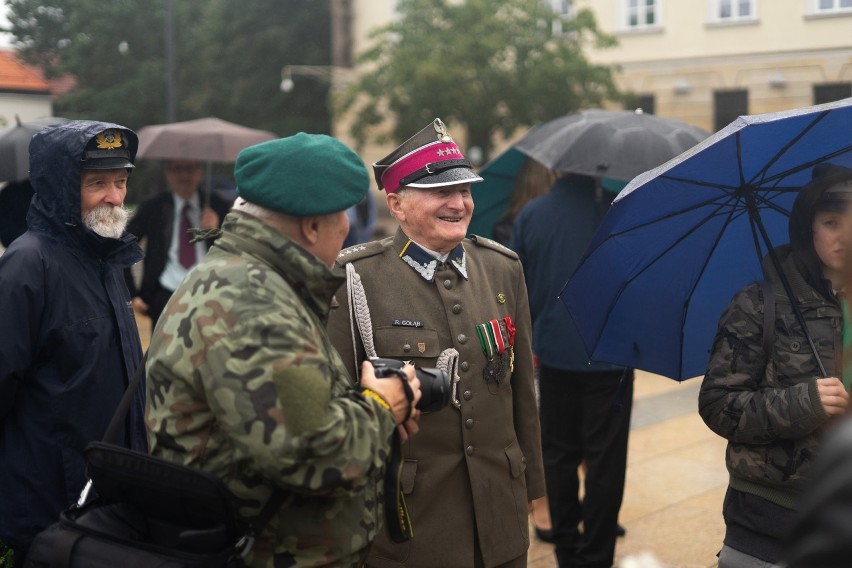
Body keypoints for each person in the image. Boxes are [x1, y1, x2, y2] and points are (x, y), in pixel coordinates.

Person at [145, 133, 422, 567]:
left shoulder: (239, 277)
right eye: (341, 219)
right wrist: (382, 406)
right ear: (311, 227)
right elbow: (314, 453)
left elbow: (282, 411)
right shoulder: (254, 305)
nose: (347, 230)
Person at [327, 118, 546, 568]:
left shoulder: (503, 267)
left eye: (465, 190)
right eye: (440, 192)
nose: (459, 203)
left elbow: (521, 390)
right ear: (397, 204)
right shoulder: (355, 279)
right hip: (412, 523)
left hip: (500, 507)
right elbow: (339, 403)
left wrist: (531, 485)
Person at [0, 121, 147, 565]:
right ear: (61, 186)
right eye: (97, 183)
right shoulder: (28, 265)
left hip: (110, 511)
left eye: (120, 182)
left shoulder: (107, 256)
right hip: (48, 517)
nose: (114, 197)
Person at [699, 165, 852, 568]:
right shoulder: (758, 304)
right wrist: (805, 403)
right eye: (831, 221)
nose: (845, 234)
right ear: (807, 229)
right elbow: (718, 404)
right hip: (769, 525)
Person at [510, 173, 633, 568]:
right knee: (605, 460)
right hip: (610, 353)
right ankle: (597, 553)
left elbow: (516, 286)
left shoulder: (532, 213)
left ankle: (566, 549)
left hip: (553, 351)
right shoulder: (617, 209)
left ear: (556, 170)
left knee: (558, 455)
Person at [124, 158, 231, 328]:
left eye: (190, 169)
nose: (184, 175)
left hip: (210, 291)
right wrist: (131, 292)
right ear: (168, 174)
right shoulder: (153, 207)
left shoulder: (218, 205)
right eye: (177, 169)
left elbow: (236, 250)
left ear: (200, 172)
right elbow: (124, 245)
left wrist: (217, 231)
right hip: (164, 292)